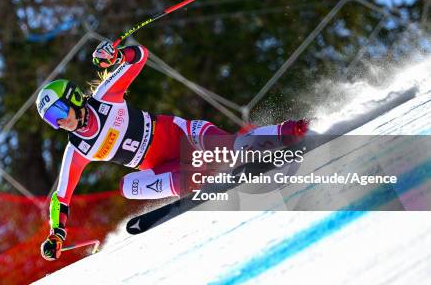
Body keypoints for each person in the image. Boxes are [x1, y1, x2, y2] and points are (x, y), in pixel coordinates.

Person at [36, 40, 308, 260]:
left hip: (183, 136)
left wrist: (117, 55)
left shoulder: (105, 97)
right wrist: (56, 234)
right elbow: (62, 198)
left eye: (59, 111)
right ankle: (197, 181)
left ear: (72, 97)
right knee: (127, 186)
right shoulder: (77, 150)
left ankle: (295, 131)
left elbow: (140, 56)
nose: (60, 121)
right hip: (165, 167)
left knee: (232, 148)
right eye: (51, 119)